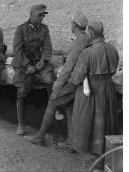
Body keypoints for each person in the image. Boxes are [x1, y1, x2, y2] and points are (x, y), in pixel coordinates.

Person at [26, 10, 90, 146]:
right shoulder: (85, 38)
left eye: (71, 24)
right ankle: (71, 143)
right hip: (81, 81)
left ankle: (40, 136)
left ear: (75, 25)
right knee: (69, 107)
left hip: (73, 81)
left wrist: (58, 84)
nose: (70, 26)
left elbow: (69, 67)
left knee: (53, 100)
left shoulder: (78, 42)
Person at [67, 20, 119, 165]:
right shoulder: (112, 49)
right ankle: (103, 159)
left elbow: (77, 78)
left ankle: (96, 161)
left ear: (90, 33)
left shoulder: (87, 53)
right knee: (105, 124)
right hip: (108, 90)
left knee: (91, 124)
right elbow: (113, 70)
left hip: (91, 93)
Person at [11, 4, 55, 135]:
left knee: (49, 79)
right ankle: (21, 124)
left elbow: (47, 48)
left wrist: (42, 61)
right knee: (22, 89)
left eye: (43, 15)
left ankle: (56, 109)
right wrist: (27, 65)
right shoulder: (21, 29)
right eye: (39, 15)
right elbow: (17, 51)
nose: (42, 18)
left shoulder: (44, 29)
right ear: (31, 14)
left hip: (39, 63)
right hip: (23, 64)